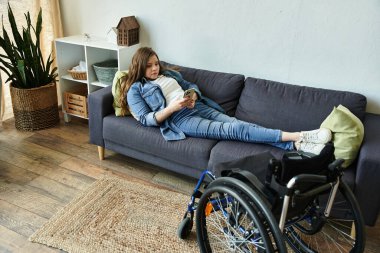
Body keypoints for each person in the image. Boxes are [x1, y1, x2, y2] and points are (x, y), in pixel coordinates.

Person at [121, 47, 331, 155]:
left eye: (156, 63)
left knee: (238, 124)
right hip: (180, 119)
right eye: (149, 66)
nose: (155, 68)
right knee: (233, 131)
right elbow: (147, 119)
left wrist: (192, 96)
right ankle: (300, 135)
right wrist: (172, 108)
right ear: (140, 66)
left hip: (197, 107)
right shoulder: (136, 89)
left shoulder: (168, 75)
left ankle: (296, 146)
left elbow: (190, 86)